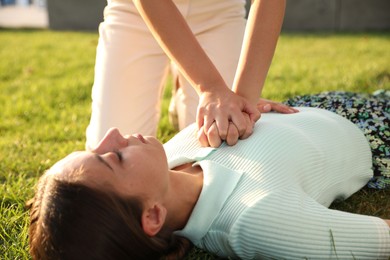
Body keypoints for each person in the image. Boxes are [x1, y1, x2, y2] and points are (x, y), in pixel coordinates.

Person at [28, 92, 390, 259]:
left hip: (319, 103)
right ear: (152, 215)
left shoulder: (165, 163)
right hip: (373, 132)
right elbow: (381, 240)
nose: (112, 136)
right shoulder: (254, 219)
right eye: (113, 158)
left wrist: (249, 106)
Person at [85, 0, 287, 150]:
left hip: (218, 13)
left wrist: (244, 101)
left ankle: (183, 89)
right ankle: (186, 77)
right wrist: (210, 87)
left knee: (224, 146)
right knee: (112, 154)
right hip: (137, 13)